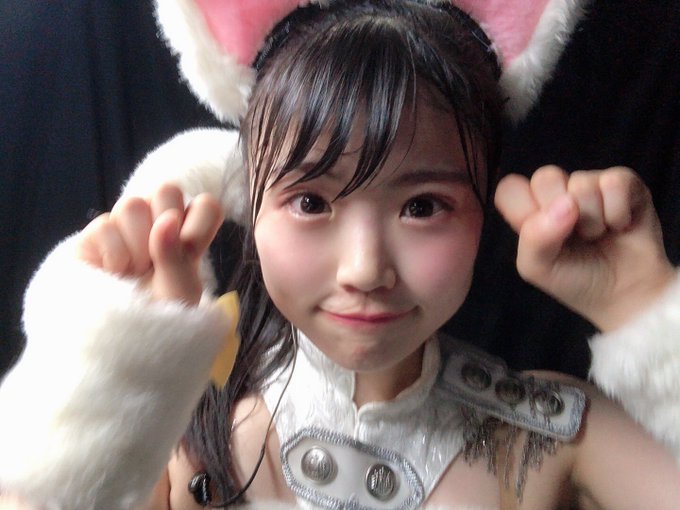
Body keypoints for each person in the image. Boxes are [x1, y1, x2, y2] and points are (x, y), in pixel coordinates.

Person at [1, 1, 679, 509]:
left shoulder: (556, 435)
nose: (364, 270)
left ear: (484, 206)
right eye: (310, 202)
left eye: (422, 206)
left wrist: (646, 308)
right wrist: (106, 384)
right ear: (248, 201)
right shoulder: (176, 425)